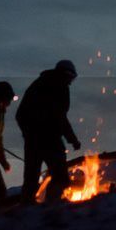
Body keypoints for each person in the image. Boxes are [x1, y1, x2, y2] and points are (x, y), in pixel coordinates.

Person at [15, 59, 81, 204]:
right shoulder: (59, 88)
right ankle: (52, 207)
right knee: (61, 177)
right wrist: (73, 140)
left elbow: (20, 115)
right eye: (70, 78)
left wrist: (28, 134)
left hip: (34, 140)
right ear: (65, 74)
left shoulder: (38, 84)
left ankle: (26, 210)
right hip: (50, 140)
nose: (70, 82)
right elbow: (60, 117)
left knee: (31, 177)